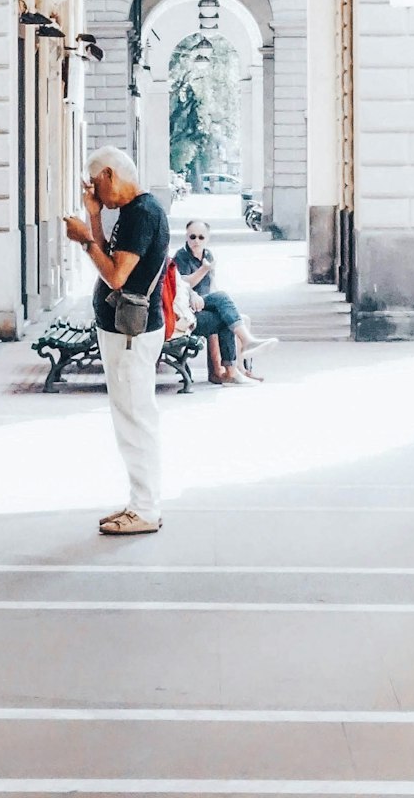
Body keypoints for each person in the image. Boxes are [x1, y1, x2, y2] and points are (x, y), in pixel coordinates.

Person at [63, 147, 170, 536]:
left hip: (131, 335)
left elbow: (117, 276)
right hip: (124, 332)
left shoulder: (142, 213)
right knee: (131, 416)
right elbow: (113, 254)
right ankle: (140, 503)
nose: (93, 189)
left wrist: (83, 240)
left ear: (109, 174)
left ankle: (144, 508)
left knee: (135, 419)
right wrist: (93, 215)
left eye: (95, 183)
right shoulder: (132, 212)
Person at [173, 219, 276, 383]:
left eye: (201, 237)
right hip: (189, 308)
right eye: (192, 237)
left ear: (207, 238)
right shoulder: (181, 256)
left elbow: (212, 285)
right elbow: (183, 284)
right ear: (186, 237)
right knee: (222, 299)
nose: (196, 241)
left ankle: (236, 370)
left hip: (206, 304)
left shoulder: (207, 255)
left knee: (231, 316)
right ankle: (234, 362)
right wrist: (202, 272)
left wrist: (217, 304)